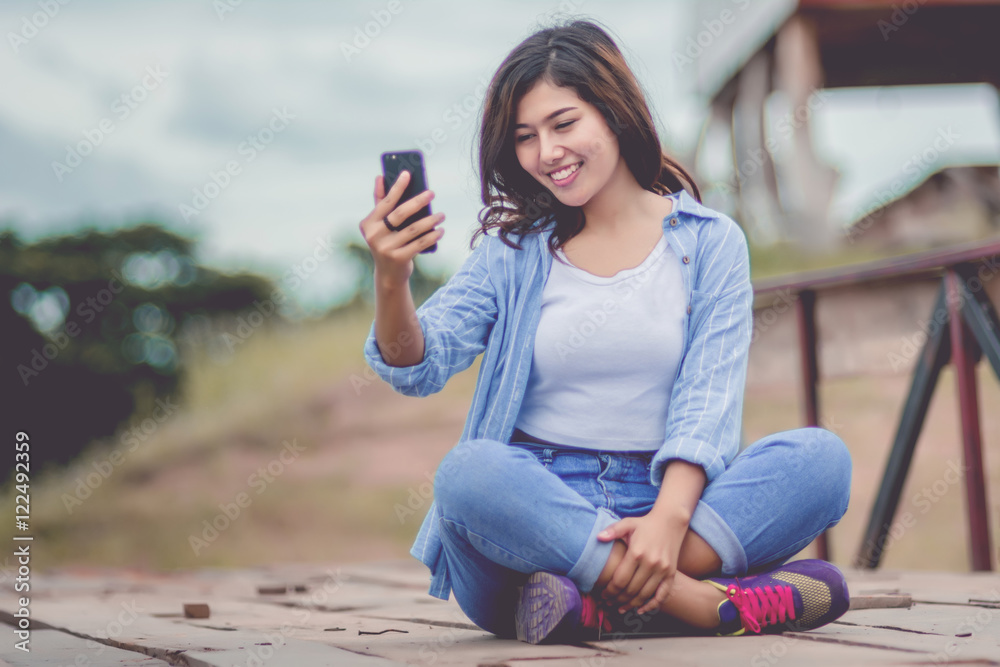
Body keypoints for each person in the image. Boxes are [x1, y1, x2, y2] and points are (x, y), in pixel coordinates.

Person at [358, 18, 852, 644]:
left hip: (671, 503)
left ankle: (597, 600)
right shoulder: (511, 253)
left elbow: (708, 401)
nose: (546, 153)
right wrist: (390, 277)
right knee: (469, 474)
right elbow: (417, 365)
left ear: (614, 113)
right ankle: (695, 603)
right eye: (525, 137)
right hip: (538, 519)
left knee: (820, 460)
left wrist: (667, 521)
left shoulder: (711, 244)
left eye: (564, 124)